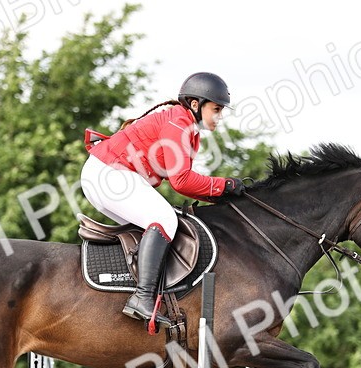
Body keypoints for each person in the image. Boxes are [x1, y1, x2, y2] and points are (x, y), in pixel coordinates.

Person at [82, 72, 246, 330]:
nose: (219, 116)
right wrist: (224, 185)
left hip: (108, 175)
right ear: (195, 104)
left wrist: (221, 196)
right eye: (216, 109)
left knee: (158, 226)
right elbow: (181, 181)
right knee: (164, 219)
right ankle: (143, 298)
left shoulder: (187, 129)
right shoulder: (179, 123)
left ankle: (135, 290)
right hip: (110, 175)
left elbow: (180, 183)